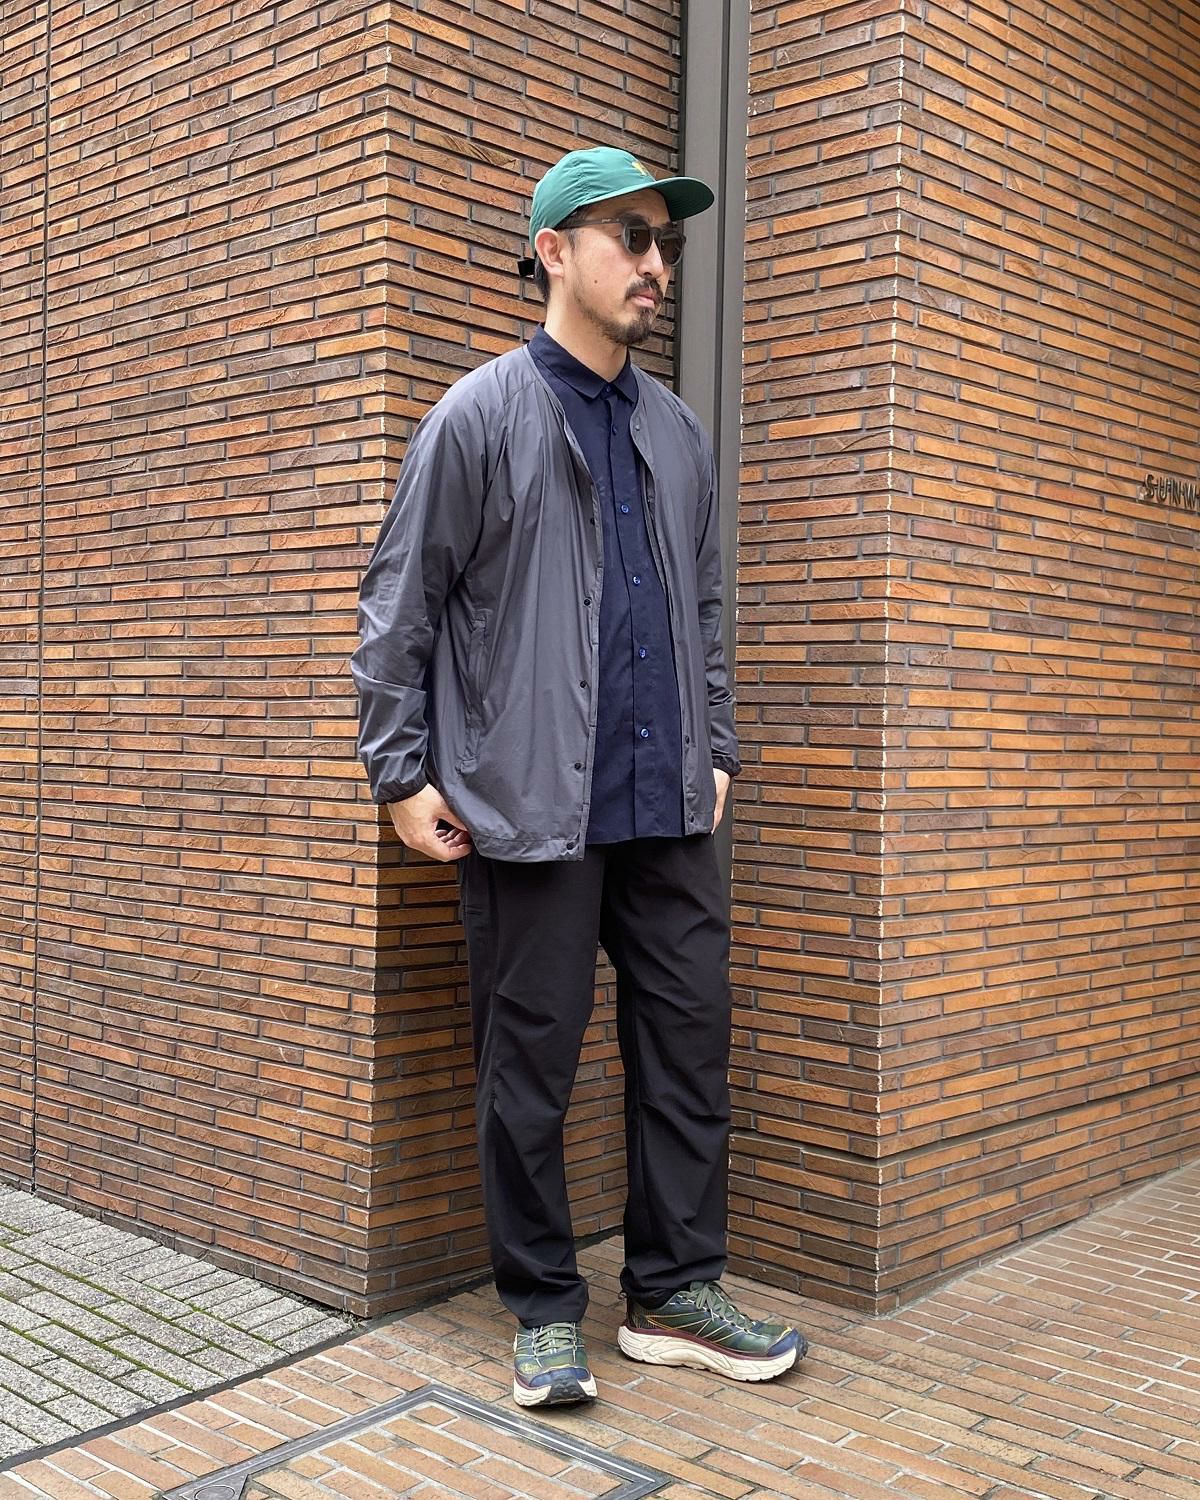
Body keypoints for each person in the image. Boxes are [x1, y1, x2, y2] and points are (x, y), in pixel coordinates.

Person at [351, 145, 807, 1409]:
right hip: (528, 809)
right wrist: (400, 775)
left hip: (668, 809)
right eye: (632, 238)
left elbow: (704, 611)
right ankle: (545, 1307)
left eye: (668, 243)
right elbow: (399, 609)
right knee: (529, 1071)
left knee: (689, 1053)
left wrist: (718, 748)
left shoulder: (676, 430)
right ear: (554, 252)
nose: (658, 265)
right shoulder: (478, 417)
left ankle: (673, 1292)